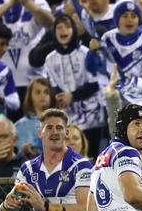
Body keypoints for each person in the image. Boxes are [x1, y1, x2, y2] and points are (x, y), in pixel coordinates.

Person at [44, 14, 104, 158]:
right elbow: (53, 84)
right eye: (59, 27)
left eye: (68, 26)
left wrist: (72, 95)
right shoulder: (50, 59)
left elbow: (95, 83)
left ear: (74, 30)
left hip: (92, 117)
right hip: (68, 117)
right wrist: (59, 96)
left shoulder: (86, 53)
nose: (63, 30)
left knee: (92, 158)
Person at [15, 78, 55, 158]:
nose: (43, 95)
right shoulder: (19, 126)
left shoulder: (62, 122)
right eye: (38, 92)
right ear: (30, 96)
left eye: (46, 92)